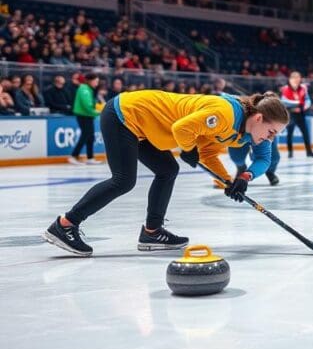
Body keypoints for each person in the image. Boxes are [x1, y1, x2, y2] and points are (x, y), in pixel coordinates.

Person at [44, 90, 289, 256]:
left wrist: (236, 180)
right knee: (123, 180)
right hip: (125, 114)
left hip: (145, 126)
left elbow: (217, 156)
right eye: (272, 132)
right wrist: (189, 148)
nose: (271, 138)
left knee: (168, 169)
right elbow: (181, 128)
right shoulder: (225, 114)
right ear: (258, 118)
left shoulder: (245, 132)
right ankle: (65, 224)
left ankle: (151, 233)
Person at [280, 71, 313, 158]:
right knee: (289, 133)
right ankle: (290, 152)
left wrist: (305, 106)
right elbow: (283, 101)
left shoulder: (303, 88)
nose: (296, 79)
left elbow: (307, 100)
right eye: (294, 77)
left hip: (301, 114)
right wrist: (296, 104)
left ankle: (309, 152)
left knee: (306, 133)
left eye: (298, 77)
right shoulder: (285, 89)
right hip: (291, 114)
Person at [69, 73, 101, 165]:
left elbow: (90, 103)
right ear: (90, 81)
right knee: (86, 135)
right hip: (83, 115)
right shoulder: (84, 89)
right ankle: (73, 156)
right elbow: (87, 104)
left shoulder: (88, 89)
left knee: (90, 136)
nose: (97, 83)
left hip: (87, 115)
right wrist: (97, 112)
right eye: (96, 81)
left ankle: (90, 157)